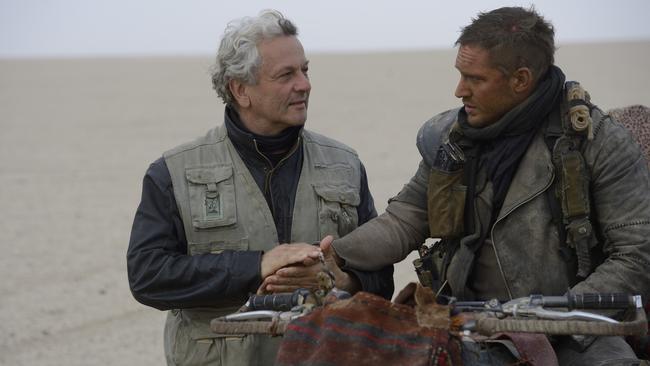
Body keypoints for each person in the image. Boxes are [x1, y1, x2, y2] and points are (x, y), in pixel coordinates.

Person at [330, 6, 650, 365]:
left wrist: (550, 317)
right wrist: (333, 256)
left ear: (520, 79)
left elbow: (636, 255)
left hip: (573, 332)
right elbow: (404, 219)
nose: (459, 91)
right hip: (461, 319)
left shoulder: (597, 142)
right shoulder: (454, 139)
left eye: (475, 79)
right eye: (460, 75)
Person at [126, 10, 393, 366]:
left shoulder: (344, 165)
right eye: (286, 75)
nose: (304, 84)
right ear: (241, 90)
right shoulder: (173, 172)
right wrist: (257, 266)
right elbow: (148, 276)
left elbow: (380, 275)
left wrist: (343, 279)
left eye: (305, 70)